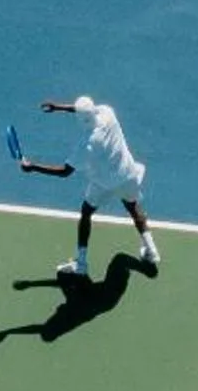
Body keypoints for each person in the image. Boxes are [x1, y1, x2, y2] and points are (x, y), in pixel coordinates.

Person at [16, 95, 160, 280]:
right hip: (127, 174)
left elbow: (64, 172)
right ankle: (151, 250)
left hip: (104, 183)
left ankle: (81, 263)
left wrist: (33, 167)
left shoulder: (88, 145)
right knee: (133, 207)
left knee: (86, 213)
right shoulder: (108, 113)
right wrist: (59, 107)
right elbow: (86, 111)